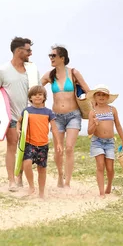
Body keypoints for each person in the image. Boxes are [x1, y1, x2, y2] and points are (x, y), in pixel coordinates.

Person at [0, 36, 39, 191]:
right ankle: (12, 180)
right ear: (18, 51)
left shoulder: (32, 70)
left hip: (30, 116)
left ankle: (20, 175)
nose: (30, 53)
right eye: (28, 50)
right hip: (12, 116)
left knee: (26, 149)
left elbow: (39, 93)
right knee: (12, 146)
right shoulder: (2, 71)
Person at [40, 45, 90, 188]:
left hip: (74, 115)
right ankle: (60, 176)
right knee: (58, 149)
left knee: (69, 148)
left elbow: (87, 90)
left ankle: (67, 181)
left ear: (62, 58)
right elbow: (36, 88)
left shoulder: (73, 73)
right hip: (57, 117)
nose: (51, 58)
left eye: (53, 56)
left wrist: (95, 109)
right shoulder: (49, 75)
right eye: (50, 56)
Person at [16, 85, 61, 198]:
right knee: (27, 164)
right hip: (29, 143)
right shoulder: (26, 111)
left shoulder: (48, 112)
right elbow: (19, 122)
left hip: (43, 144)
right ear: (30, 98)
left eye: (40, 94)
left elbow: (54, 129)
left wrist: (59, 143)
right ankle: (31, 186)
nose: (37, 96)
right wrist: (18, 130)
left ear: (44, 97)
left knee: (42, 169)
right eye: (34, 95)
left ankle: (41, 192)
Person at [86, 84, 123, 199]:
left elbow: (118, 126)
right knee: (100, 166)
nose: (101, 97)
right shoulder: (93, 112)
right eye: (99, 95)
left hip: (109, 142)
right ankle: (101, 192)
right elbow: (89, 131)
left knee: (110, 168)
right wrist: (95, 124)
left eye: (104, 95)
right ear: (95, 98)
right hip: (97, 142)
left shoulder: (112, 110)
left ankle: (109, 185)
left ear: (107, 97)